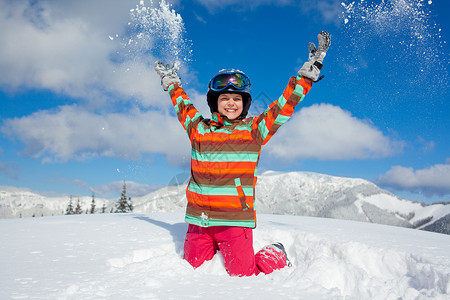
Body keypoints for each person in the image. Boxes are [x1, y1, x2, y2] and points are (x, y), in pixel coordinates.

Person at [154, 31, 331, 276]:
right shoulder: (199, 129)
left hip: (234, 220)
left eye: (236, 98)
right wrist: (172, 82)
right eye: (224, 97)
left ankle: (276, 253)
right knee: (192, 270)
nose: (230, 103)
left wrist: (306, 77)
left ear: (244, 103)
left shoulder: (254, 130)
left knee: (243, 274)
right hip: (199, 221)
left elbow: (283, 106)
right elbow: (182, 104)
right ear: (215, 102)